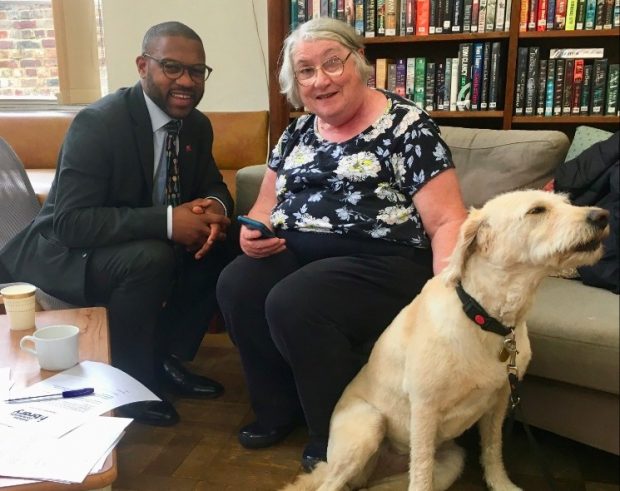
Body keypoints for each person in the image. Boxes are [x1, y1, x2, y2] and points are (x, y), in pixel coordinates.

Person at [216, 17, 467, 470]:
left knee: (297, 301)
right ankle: (277, 408)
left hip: (383, 259)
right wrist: (251, 231)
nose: (321, 80)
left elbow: (449, 218)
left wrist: (448, 295)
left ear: (360, 63)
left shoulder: (407, 124)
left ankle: (335, 434)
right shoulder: (296, 133)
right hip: (295, 250)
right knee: (237, 283)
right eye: (306, 71)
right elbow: (265, 204)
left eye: (333, 63)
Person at [0, 21, 234, 426]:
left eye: (197, 71)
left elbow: (212, 184)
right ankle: (128, 382)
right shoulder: (99, 124)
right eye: (172, 67)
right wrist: (166, 221)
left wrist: (213, 209)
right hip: (63, 252)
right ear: (143, 65)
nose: (187, 81)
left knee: (221, 242)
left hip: (129, 241)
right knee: (151, 257)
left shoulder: (197, 125)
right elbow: (70, 223)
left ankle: (164, 357)